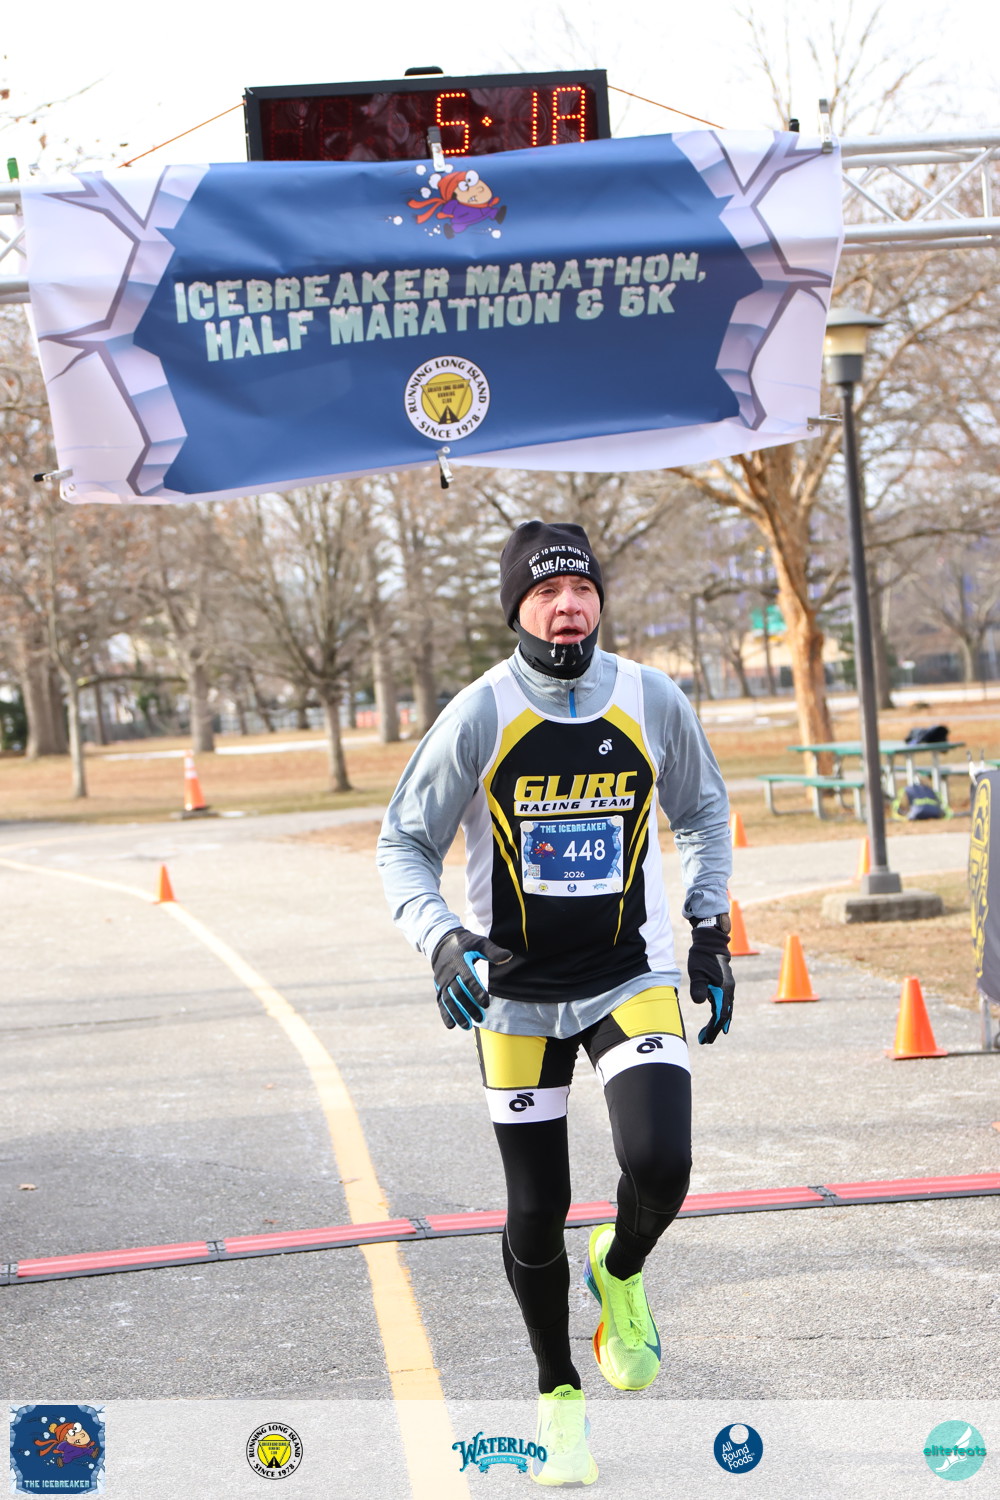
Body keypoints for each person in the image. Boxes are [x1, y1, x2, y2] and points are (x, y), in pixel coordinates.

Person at [377, 520, 734, 1486]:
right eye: (545, 593)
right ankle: (558, 1394)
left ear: (599, 601)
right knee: (536, 1208)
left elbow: (703, 812)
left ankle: (619, 1267)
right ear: (517, 611)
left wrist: (708, 929)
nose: (567, 605)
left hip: (628, 974)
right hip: (515, 997)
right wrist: (441, 937)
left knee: (661, 1161)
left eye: (581, 588)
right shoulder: (481, 713)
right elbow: (403, 843)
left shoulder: (650, 698)